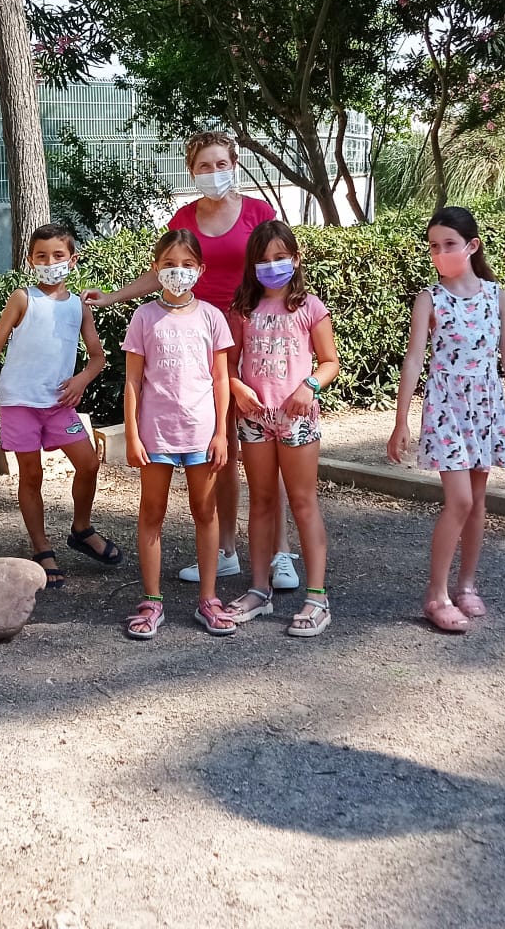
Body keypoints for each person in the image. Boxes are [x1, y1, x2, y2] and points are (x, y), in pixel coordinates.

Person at [86, 130, 296, 590]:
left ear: (234, 163)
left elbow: (279, 267)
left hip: (251, 337)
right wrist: (113, 297)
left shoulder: (260, 213)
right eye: (204, 166)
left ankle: (281, 553)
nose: (214, 173)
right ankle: (226, 552)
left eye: (221, 164)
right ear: (191, 170)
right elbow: (164, 267)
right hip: (196, 339)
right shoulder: (184, 217)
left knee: (265, 445)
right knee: (222, 452)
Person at [386, 205, 505, 633]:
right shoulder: (429, 299)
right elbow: (414, 359)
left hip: (486, 407)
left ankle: (466, 584)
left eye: (448, 244)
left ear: (472, 246)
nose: (439, 253)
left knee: (477, 503)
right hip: (446, 407)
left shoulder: (495, 295)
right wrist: (402, 420)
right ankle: (436, 594)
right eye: (433, 246)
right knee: (460, 501)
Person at [0, 222, 120, 587]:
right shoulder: (22, 298)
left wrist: (80, 381)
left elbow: (97, 357)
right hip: (20, 402)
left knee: (88, 462)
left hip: (59, 404)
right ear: (30, 260)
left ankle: (81, 528)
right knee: (32, 474)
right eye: (41, 256)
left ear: (72, 260)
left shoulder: (78, 305)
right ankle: (41, 548)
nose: (50, 262)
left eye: (58, 255)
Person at [223, 220, 339, 638]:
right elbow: (229, 364)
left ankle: (317, 596)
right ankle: (258, 588)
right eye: (263, 260)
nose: (272, 267)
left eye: (280, 258)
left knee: (304, 502)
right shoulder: (242, 310)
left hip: (297, 421)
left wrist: (310, 386)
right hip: (254, 420)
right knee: (260, 502)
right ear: (252, 265)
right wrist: (236, 388)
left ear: (296, 259)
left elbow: (329, 362)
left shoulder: (310, 307)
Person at [121, 230, 234, 639]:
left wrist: (222, 433)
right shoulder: (144, 317)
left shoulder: (211, 318)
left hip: (202, 435)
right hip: (156, 436)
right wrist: (132, 434)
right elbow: (132, 382)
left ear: (201, 270)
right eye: (169, 264)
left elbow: (221, 379)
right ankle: (153, 600)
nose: (178, 272)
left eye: (187, 265)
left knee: (206, 513)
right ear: (156, 268)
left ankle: (209, 598)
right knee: (151, 514)